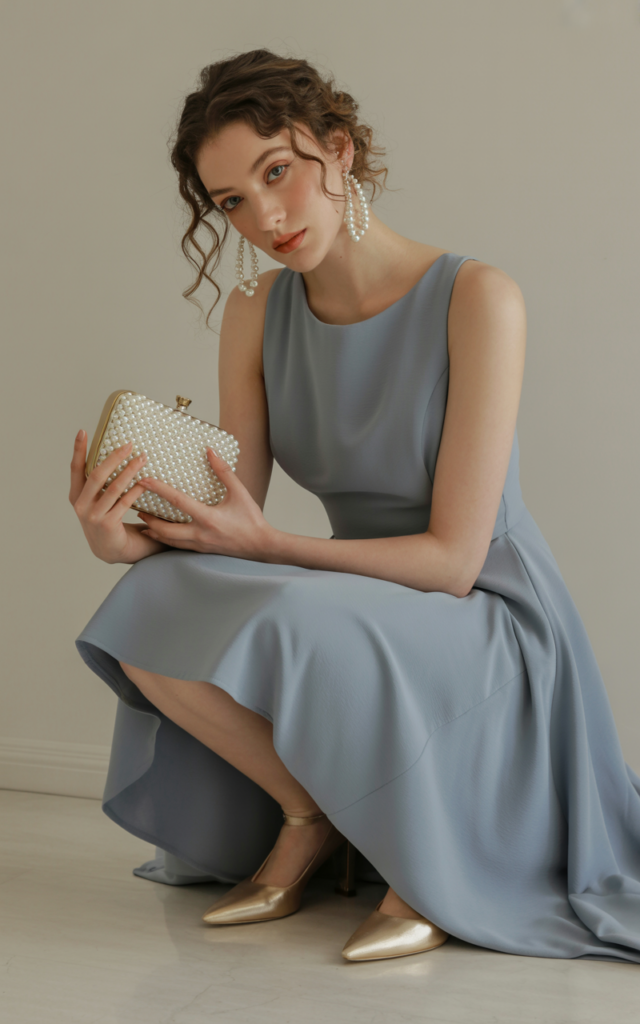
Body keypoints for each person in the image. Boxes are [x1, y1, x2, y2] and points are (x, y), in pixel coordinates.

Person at [70, 49, 640, 964]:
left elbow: (455, 559)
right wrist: (127, 544)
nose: (264, 218)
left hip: (485, 604)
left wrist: (272, 547)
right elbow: (235, 520)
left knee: (304, 603)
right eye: (232, 203)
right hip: (354, 588)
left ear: (337, 152)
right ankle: (311, 811)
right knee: (144, 613)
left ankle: (434, 860)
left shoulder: (477, 298)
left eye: (276, 172)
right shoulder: (256, 310)